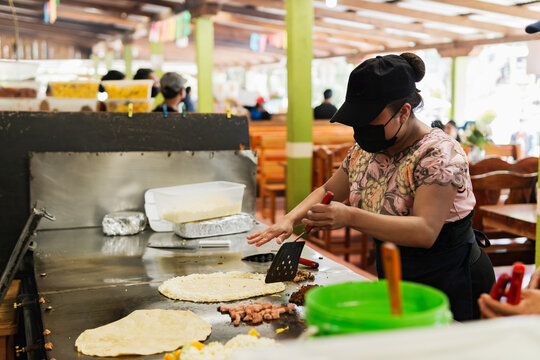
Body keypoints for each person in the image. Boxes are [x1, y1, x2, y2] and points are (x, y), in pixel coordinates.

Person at [247, 53, 495, 321]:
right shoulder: (369, 148)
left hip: (450, 276)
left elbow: (425, 231)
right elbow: (329, 189)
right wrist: (289, 219)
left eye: (369, 120)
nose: (361, 129)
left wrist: (349, 216)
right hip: (396, 270)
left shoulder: (439, 154)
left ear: (404, 112)